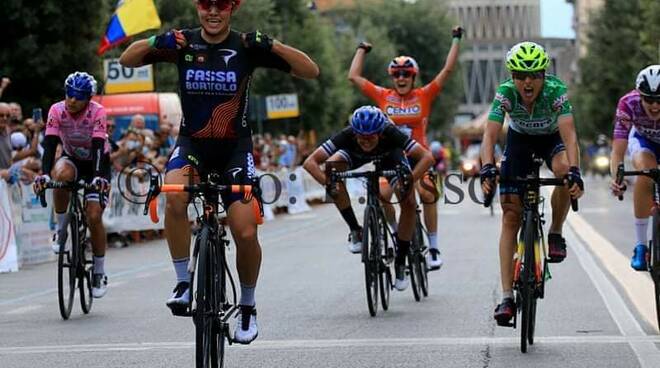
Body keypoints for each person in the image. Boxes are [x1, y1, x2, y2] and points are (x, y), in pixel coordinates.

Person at [119, 0, 319, 344]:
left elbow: (310, 70)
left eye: (221, 6)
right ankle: (183, 283)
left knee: (244, 231)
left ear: (232, 9)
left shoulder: (245, 46)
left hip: (234, 150)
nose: (213, 12)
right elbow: (127, 59)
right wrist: (156, 42)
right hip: (192, 145)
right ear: (198, 7)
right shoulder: (183, 43)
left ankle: (248, 306)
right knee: (175, 194)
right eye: (206, 4)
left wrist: (272, 45)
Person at [479, 41, 584, 326]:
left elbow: (570, 135)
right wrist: (487, 167)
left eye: (534, 75)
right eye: (521, 76)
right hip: (520, 141)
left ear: (543, 75)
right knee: (510, 218)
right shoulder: (505, 93)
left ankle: (555, 232)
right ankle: (506, 297)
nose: (528, 82)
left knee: (562, 170)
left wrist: (574, 171)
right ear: (512, 76)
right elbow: (489, 136)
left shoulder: (556, 91)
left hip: (551, 139)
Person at [347, 26, 463, 271]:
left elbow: (448, 70)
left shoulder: (424, 94)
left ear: (413, 77)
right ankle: (395, 234)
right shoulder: (383, 96)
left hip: (418, 159)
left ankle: (433, 247)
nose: (401, 78)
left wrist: (456, 39)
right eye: (397, 74)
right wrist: (361, 50)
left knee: (429, 192)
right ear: (392, 77)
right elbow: (354, 77)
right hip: (390, 159)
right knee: (382, 195)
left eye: (406, 74)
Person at [303, 106, 434, 291]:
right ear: (354, 132)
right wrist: (330, 185)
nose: (365, 141)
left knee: (409, 202)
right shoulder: (347, 134)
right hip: (354, 156)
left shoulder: (391, 132)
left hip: (391, 156)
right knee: (331, 168)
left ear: (380, 133)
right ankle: (356, 230)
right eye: (361, 137)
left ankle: (401, 261)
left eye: (370, 137)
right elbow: (310, 163)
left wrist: (410, 178)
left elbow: (427, 157)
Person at [32, 72, 111, 298]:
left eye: (78, 97)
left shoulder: (98, 112)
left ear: (88, 98)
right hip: (72, 158)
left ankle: (98, 271)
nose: (72, 100)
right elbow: (49, 144)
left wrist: (97, 177)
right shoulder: (57, 110)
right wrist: (45, 174)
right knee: (60, 176)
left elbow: (98, 145)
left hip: (97, 163)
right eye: (69, 95)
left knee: (94, 216)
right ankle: (60, 230)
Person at [610, 65, 660, 270]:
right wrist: (617, 177)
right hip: (644, 142)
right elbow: (617, 150)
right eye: (649, 99)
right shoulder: (628, 103)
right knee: (646, 172)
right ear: (639, 95)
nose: (655, 106)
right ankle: (640, 246)